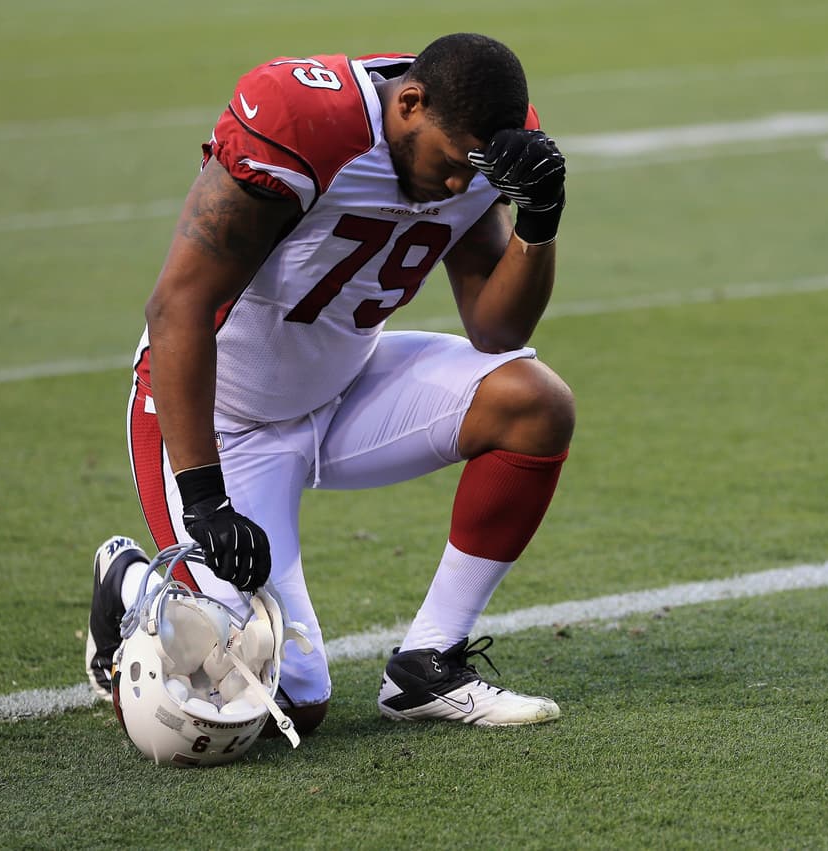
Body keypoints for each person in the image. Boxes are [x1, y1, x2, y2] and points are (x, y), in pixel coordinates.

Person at [85, 32, 574, 734]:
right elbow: (178, 305)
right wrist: (205, 498)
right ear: (408, 102)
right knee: (284, 704)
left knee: (534, 404)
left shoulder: (480, 140)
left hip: (343, 384)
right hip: (222, 416)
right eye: (451, 163)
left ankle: (427, 664)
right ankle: (127, 579)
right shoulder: (306, 123)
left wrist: (540, 220)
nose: (460, 186)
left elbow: (496, 331)